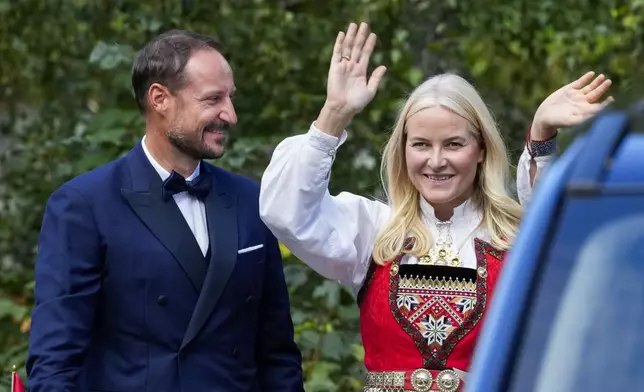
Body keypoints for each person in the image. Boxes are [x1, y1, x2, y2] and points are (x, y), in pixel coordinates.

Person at [258, 22, 613, 391]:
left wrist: (541, 135)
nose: (436, 161)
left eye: (454, 144)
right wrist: (334, 114)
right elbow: (286, 212)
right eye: (422, 144)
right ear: (403, 149)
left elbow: (567, 233)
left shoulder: (514, 235)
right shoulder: (375, 229)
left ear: (481, 151)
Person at [26, 29, 304, 392]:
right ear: (160, 99)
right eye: (212, 99)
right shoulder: (83, 205)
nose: (231, 115)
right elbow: (55, 362)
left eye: (230, 98)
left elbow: (277, 353)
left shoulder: (251, 200)